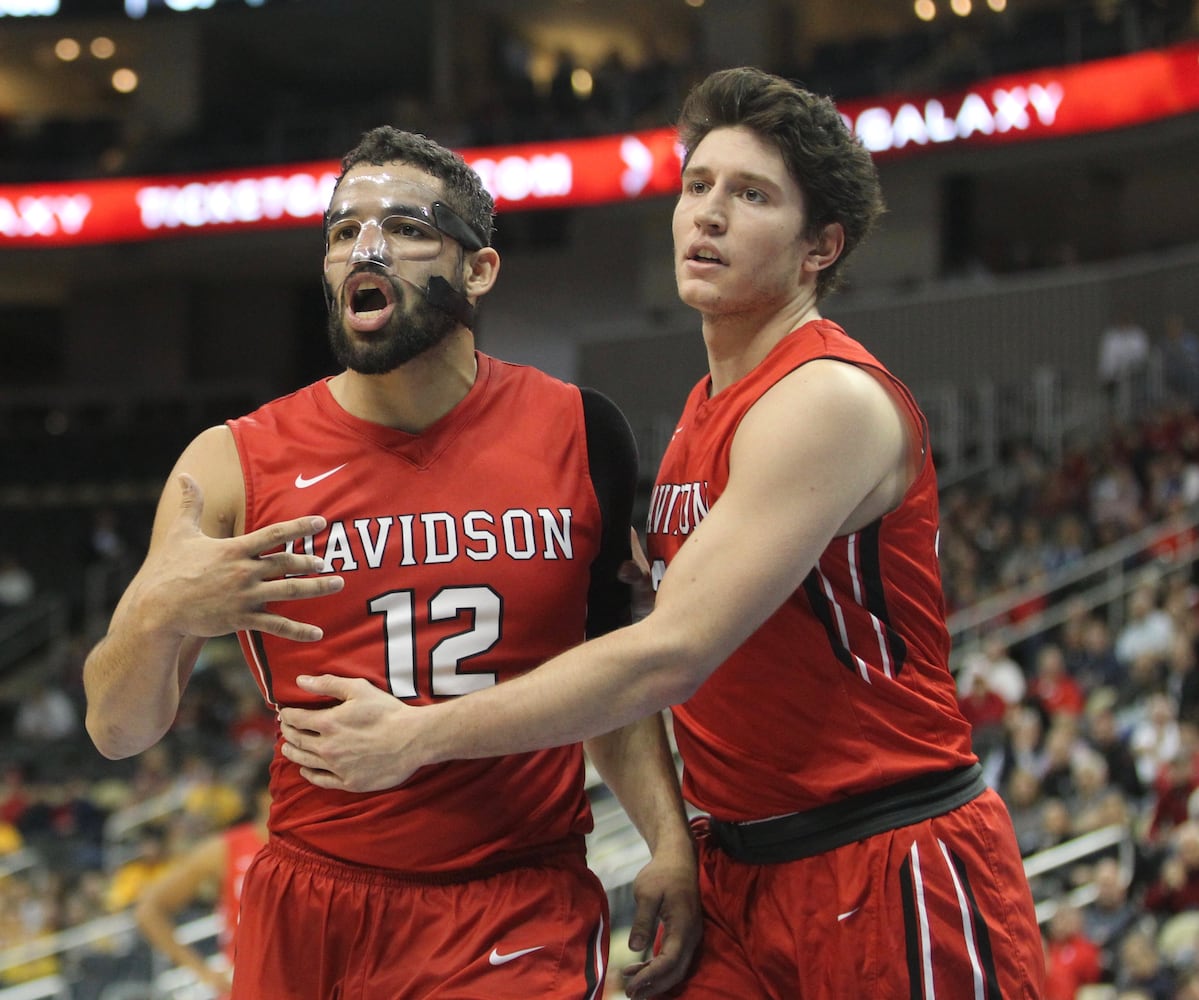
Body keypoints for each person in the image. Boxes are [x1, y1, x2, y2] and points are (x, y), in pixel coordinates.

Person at [277, 68, 1046, 998]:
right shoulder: (700, 409)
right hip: (744, 866)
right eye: (697, 187)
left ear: (819, 248)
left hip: (883, 853)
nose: (708, 215)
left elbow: (667, 654)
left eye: (751, 195)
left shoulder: (825, 398)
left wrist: (416, 738)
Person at [82, 126, 700, 1000]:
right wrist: (159, 613)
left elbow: (609, 676)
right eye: (341, 232)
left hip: (513, 900)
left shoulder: (581, 430)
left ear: (478, 270)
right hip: (313, 899)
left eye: (406, 226)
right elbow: (117, 730)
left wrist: (668, 842)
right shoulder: (228, 463)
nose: (364, 247)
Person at [135, 767, 270, 998]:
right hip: (249, 988)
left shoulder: (320, 843)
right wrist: (202, 971)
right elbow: (149, 909)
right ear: (262, 795)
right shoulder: (226, 848)